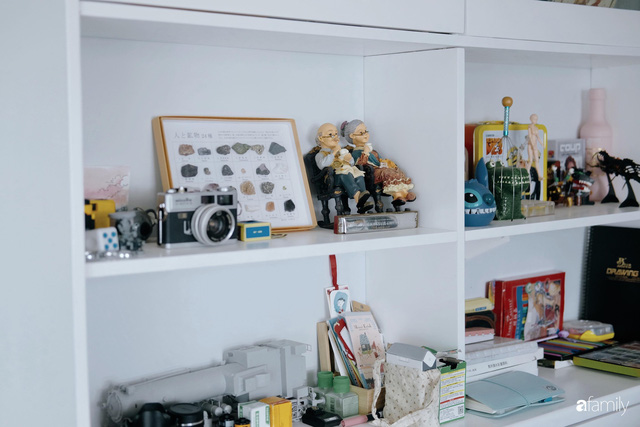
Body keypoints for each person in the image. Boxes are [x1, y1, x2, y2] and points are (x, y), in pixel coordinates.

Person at [340, 119, 415, 203]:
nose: (365, 134)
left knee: (396, 171)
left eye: (366, 131)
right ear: (352, 136)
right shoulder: (356, 152)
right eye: (361, 133)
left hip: (380, 169)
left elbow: (380, 160)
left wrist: (385, 163)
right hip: (372, 174)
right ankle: (397, 196)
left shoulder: (372, 150)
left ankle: (404, 193)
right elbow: (359, 165)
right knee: (388, 174)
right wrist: (365, 152)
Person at [315, 123, 373, 212]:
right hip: (333, 179)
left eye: (336, 134)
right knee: (345, 174)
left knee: (358, 174)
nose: (335, 137)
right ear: (321, 138)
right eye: (330, 134)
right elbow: (322, 165)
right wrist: (333, 153)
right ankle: (359, 198)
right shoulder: (320, 154)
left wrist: (349, 159)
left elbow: (352, 164)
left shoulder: (341, 151)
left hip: (346, 173)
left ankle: (362, 200)